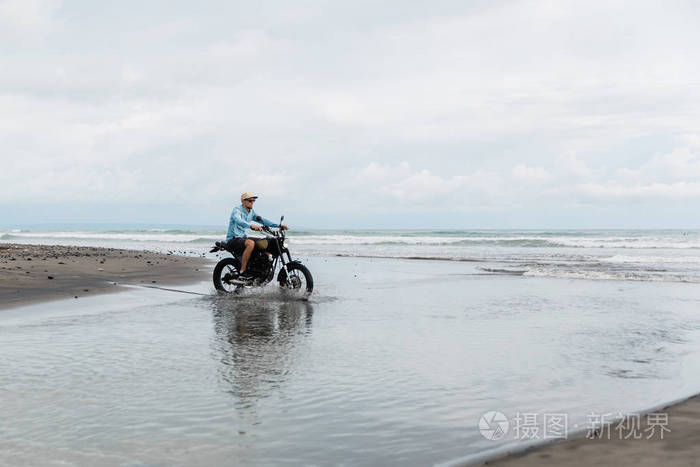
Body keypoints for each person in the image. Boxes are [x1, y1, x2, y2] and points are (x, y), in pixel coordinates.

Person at [225, 192, 289, 278]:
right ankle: (242, 271)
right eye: (250, 201)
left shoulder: (251, 212)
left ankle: (259, 269)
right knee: (250, 243)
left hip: (243, 237)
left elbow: (263, 220)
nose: (252, 203)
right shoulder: (237, 210)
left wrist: (278, 225)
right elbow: (239, 220)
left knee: (264, 243)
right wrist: (251, 226)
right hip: (233, 239)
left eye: (253, 201)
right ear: (243, 201)